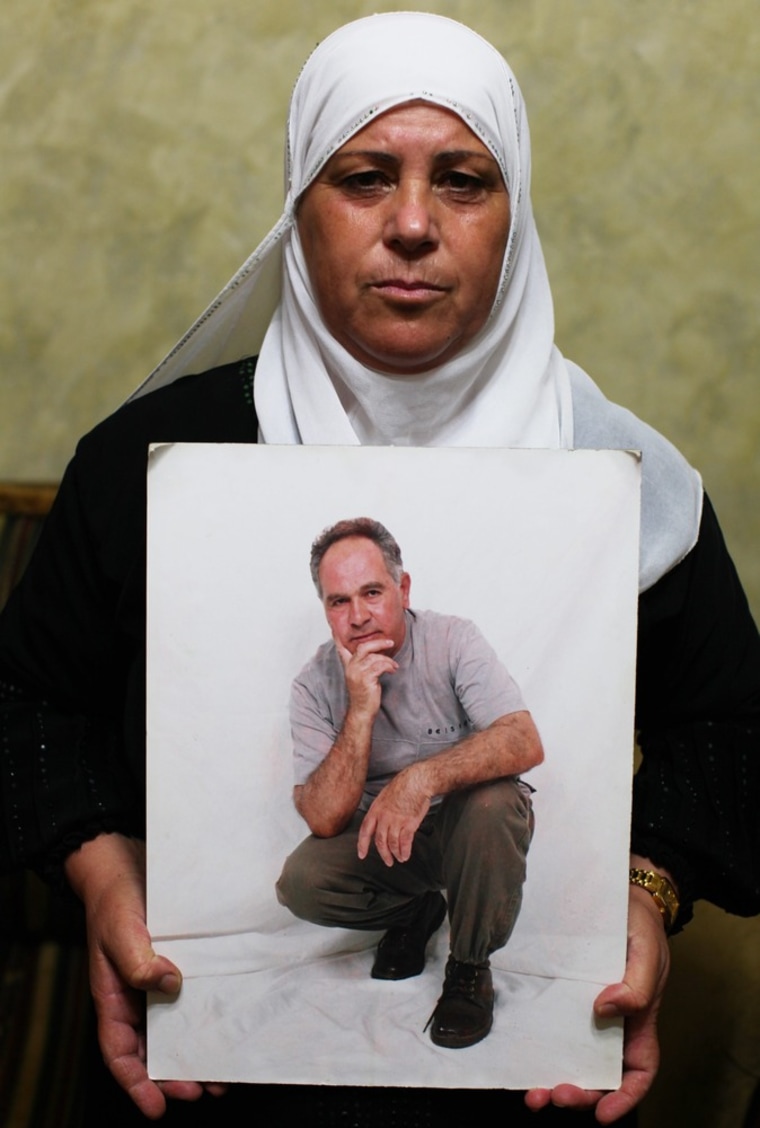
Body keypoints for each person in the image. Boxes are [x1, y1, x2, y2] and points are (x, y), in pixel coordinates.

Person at [0, 10, 758, 1126]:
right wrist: (105, 871)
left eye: (461, 180)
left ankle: (464, 964)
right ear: (297, 209)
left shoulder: (623, 478)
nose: (411, 225)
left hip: (525, 1090)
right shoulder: (148, 467)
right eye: (362, 178)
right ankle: (405, 923)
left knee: (491, 797)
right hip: (200, 1080)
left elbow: (732, 729)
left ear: (516, 215)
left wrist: (648, 895)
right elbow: (28, 699)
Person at [277, 517, 542, 1049]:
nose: (357, 616)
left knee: (494, 801)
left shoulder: (452, 639)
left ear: (402, 588)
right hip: (386, 845)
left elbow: (524, 741)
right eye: (338, 601)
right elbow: (325, 818)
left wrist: (420, 778)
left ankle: (469, 969)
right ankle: (417, 912)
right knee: (301, 881)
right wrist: (359, 711)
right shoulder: (313, 683)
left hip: (468, 834)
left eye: (372, 592)